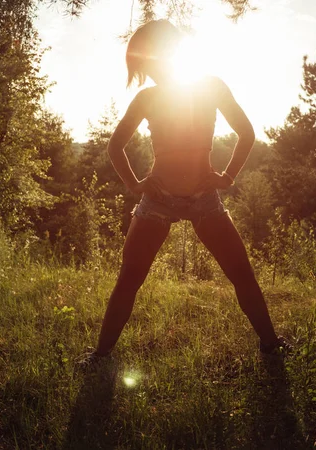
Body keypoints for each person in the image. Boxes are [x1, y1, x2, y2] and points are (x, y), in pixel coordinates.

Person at [81, 19, 289, 365]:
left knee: (241, 272)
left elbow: (246, 133)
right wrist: (135, 185)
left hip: (205, 199)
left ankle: (271, 344)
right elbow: (115, 146)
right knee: (130, 278)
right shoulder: (147, 98)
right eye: (145, 64)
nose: (150, 69)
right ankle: (100, 356)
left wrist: (227, 176)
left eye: (151, 59)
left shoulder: (210, 87)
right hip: (158, 199)